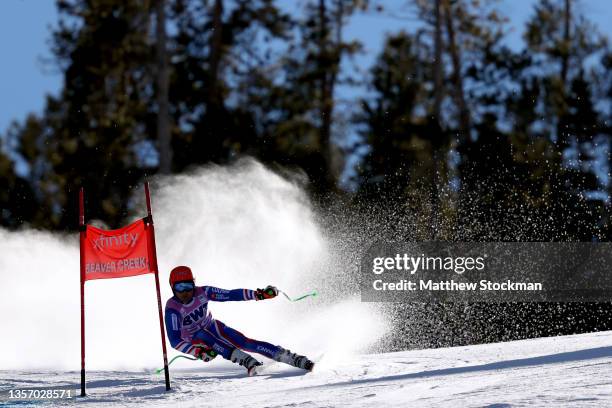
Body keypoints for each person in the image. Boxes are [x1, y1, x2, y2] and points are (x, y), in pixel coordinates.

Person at [164, 265, 314, 376]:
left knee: (244, 342)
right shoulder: (173, 309)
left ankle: (291, 357)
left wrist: (258, 295)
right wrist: (197, 351)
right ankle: (247, 361)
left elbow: (230, 295)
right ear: (172, 287)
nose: (185, 292)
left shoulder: (203, 292)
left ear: (194, 284)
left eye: (188, 286)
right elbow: (174, 341)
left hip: (212, 326)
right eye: (180, 287)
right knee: (203, 335)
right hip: (194, 339)